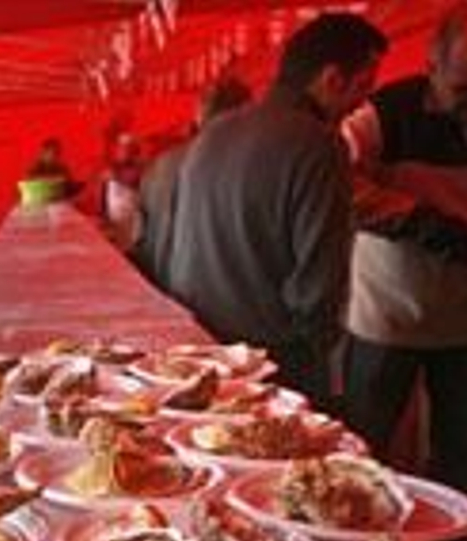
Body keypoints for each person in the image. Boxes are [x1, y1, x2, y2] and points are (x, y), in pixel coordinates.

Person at [168, 13, 388, 415]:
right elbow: (319, 280)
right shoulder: (319, 144)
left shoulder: (214, 132)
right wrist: (320, 359)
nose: (362, 103)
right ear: (332, 80)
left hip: (196, 346)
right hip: (271, 363)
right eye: (363, 87)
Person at [340, 4, 467, 526]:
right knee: (363, 452)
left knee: (464, 464)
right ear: (432, 67)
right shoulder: (386, 113)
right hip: (387, 318)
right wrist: (417, 219)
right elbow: (334, 178)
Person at [134, 77, 253, 290]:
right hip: (212, 307)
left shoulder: (162, 164)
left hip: (161, 293)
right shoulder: (238, 169)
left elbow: (140, 240)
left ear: (199, 116)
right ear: (244, 115)